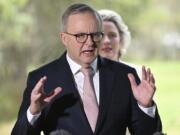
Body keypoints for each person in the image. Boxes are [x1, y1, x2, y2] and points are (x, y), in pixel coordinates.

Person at [11, 3, 162, 135]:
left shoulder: (125, 76)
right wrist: (33, 113)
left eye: (95, 35)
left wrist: (145, 106)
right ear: (64, 38)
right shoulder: (42, 79)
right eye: (81, 35)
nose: (90, 42)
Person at [98, 9, 142, 79]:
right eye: (100, 35)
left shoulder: (137, 73)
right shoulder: (82, 77)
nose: (106, 41)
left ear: (121, 39)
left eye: (112, 35)